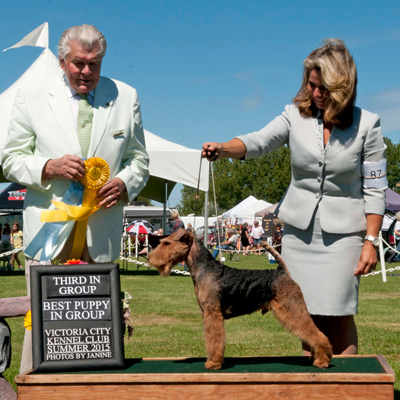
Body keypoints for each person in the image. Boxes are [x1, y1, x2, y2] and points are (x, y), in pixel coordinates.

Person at [202, 39, 386, 356]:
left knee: (339, 316)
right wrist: (223, 149)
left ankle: (344, 390)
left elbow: (375, 187)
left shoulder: (368, 125)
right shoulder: (293, 116)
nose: (315, 93)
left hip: (345, 238)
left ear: (342, 87)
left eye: (323, 88)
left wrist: (370, 241)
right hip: (299, 235)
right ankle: (312, 388)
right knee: (306, 317)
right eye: (312, 85)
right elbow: (258, 141)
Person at [2, 24, 149, 373]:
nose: (87, 72)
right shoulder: (31, 96)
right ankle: (33, 389)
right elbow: (10, 159)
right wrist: (47, 166)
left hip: (102, 231)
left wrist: (126, 183)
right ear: (62, 59)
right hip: (48, 234)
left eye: (94, 64)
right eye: (79, 63)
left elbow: (139, 159)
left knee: (97, 329)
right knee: (40, 323)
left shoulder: (126, 96)